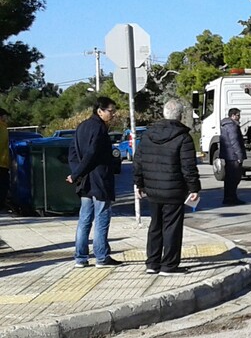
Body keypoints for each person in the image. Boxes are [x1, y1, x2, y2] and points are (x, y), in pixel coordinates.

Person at [133, 100, 201, 276]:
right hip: (174, 190)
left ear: (163, 114)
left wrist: (139, 184)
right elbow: (188, 166)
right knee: (171, 227)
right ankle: (169, 265)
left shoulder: (147, 135)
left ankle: (152, 263)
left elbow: (138, 161)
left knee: (155, 225)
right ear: (179, 115)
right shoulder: (183, 137)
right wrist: (194, 188)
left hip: (153, 190)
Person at [67, 97, 122, 268]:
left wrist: (77, 173)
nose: (113, 115)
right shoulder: (99, 128)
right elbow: (92, 154)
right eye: (110, 111)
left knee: (84, 220)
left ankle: (80, 258)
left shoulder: (81, 126)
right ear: (100, 111)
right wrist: (77, 173)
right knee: (101, 218)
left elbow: (73, 153)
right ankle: (101, 257)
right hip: (99, 180)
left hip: (85, 182)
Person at [220, 108, 247, 206]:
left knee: (229, 179)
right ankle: (231, 198)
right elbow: (234, 142)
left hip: (229, 156)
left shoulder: (226, 125)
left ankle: (229, 197)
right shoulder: (232, 126)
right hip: (233, 157)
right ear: (233, 116)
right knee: (234, 178)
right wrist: (239, 156)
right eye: (238, 115)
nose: (239, 118)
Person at [0, 108, 9, 210]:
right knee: (3, 184)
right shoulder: (2, 127)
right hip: (2, 162)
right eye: (5, 116)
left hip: (3, 161)